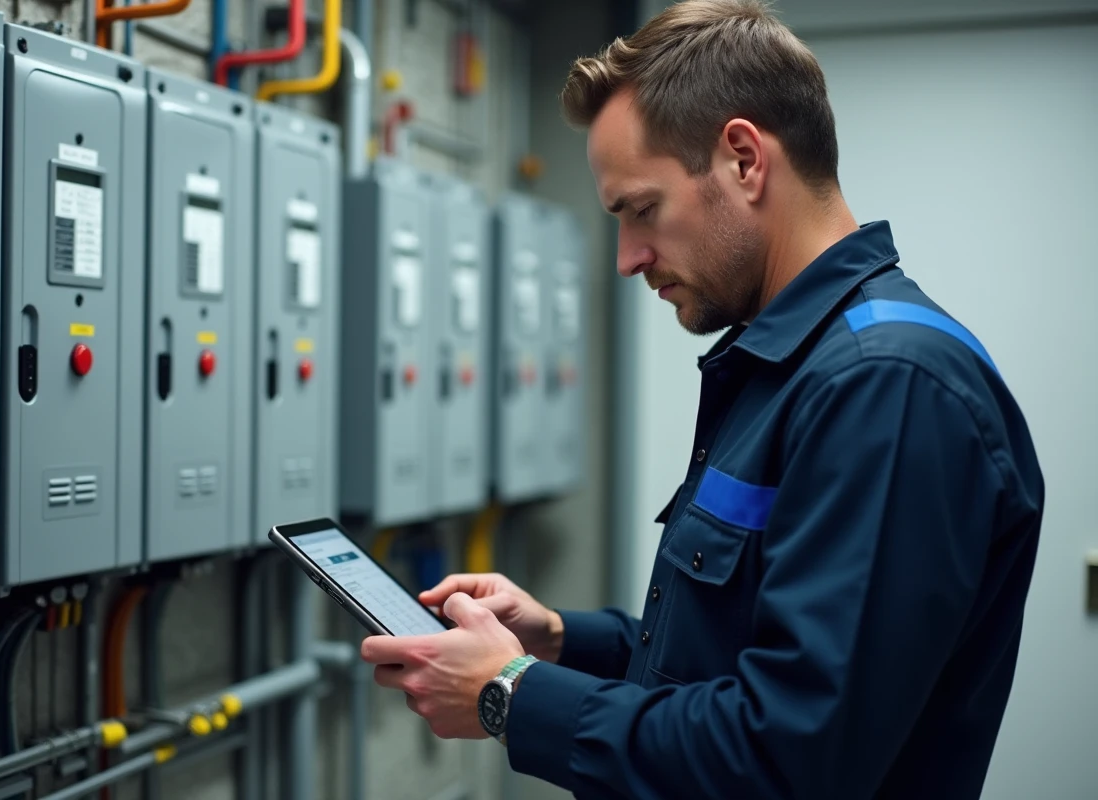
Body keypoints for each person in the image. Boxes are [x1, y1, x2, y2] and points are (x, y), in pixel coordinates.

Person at [360, 1, 1045, 797]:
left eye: (642, 211)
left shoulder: (884, 387)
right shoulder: (789, 370)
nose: (627, 259)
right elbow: (725, 659)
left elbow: (787, 758)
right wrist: (553, 642)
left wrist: (508, 693)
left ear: (745, 161)